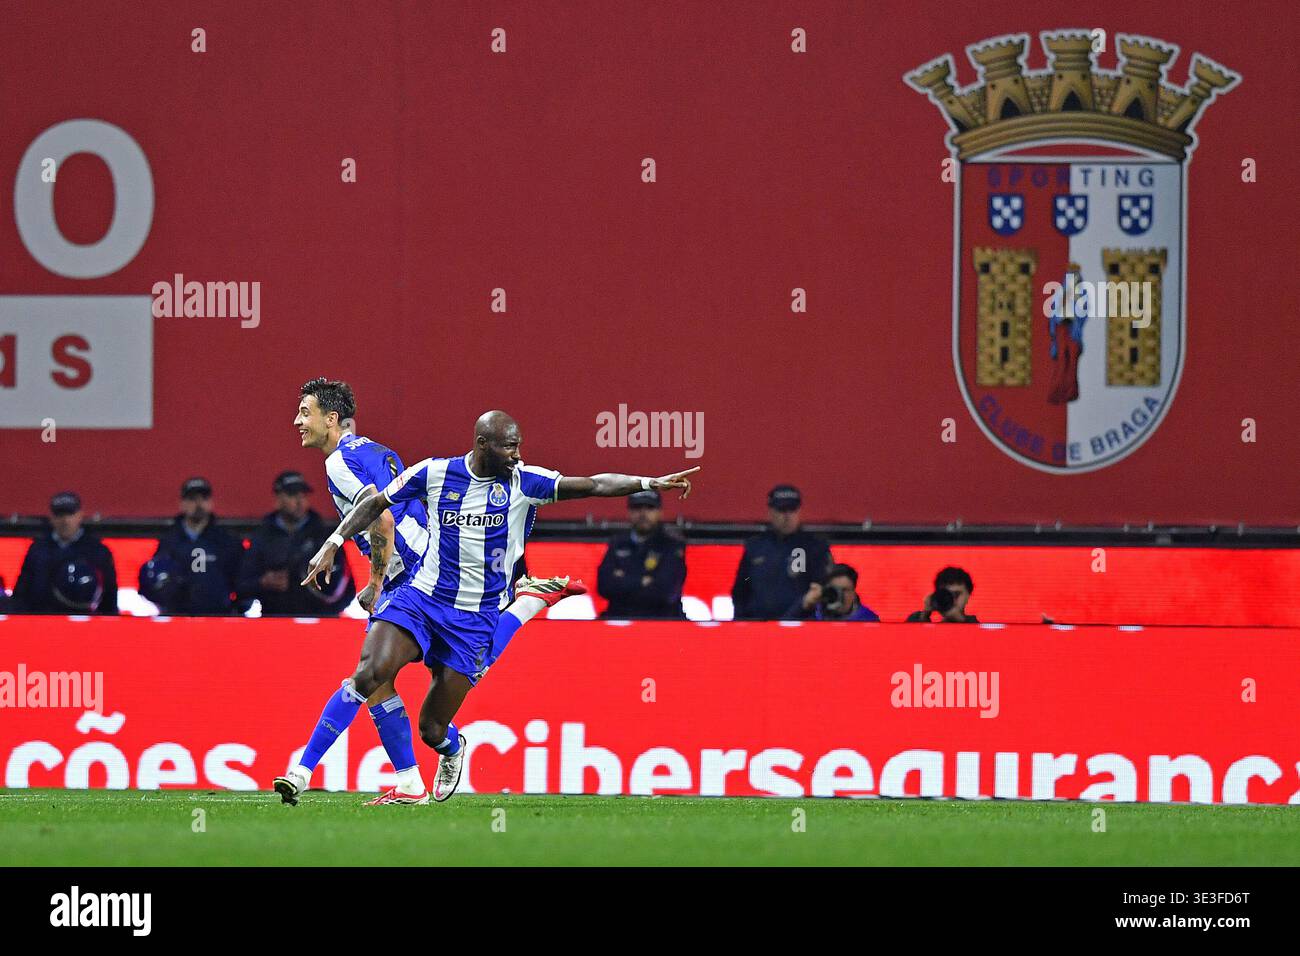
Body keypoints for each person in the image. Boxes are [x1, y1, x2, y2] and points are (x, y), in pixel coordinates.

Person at [300, 410, 698, 802]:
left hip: (475, 611)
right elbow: (379, 505)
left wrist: (648, 481)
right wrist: (334, 545)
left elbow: (593, 484)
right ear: (482, 444)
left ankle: (521, 615)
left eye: (518, 446)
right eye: (509, 447)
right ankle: (325, 775)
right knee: (370, 675)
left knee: (432, 728)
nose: (517, 454)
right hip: (422, 591)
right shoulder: (437, 473)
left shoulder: (525, 481)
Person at [274, 382, 584, 807]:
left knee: (423, 668)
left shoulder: (338, 464)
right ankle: (406, 781)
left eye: (304, 412)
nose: (297, 421)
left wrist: (376, 581)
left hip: (412, 573)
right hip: (425, 560)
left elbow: (381, 520)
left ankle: (527, 604)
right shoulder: (374, 450)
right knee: (376, 681)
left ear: (331, 419)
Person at [238, 471, 356, 616]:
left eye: (303, 495)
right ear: (278, 498)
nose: (300, 501)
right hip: (275, 622)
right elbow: (242, 585)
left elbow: (347, 587)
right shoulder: (262, 537)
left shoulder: (325, 536)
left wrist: (326, 613)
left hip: (318, 623)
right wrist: (264, 582)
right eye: (292, 495)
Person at [140, 477, 245, 615]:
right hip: (178, 618)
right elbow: (153, 583)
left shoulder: (228, 541)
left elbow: (242, 581)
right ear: (181, 504)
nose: (198, 504)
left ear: (211, 503)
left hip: (218, 618)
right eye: (192, 499)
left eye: (203, 498)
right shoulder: (169, 541)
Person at [730, 484, 831, 620]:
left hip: (800, 626)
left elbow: (824, 588)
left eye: (792, 510)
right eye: (781, 510)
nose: (787, 516)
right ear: (770, 512)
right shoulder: (755, 546)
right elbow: (740, 591)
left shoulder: (814, 547)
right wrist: (741, 623)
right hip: (759, 627)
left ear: (799, 511)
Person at [10, 491, 118, 615]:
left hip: (87, 622)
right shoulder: (38, 551)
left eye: (70, 514)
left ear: (80, 515)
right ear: (51, 517)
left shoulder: (98, 551)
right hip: (43, 621)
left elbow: (109, 596)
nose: (65, 521)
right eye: (59, 515)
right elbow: (21, 594)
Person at [596, 489, 687, 619]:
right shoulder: (618, 543)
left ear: (660, 512)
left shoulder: (671, 545)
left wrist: (624, 579)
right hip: (620, 618)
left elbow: (666, 592)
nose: (643, 514)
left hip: (661, 620)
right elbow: (604, 586)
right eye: (637, 508)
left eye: (650, 508)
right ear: (629, 512)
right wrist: (642, 581)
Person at [793, 563, 879, 621]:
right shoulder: (813, 615)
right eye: (835, 590)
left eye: (845, 590)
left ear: (853, 593)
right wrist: (804, 605)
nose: (840, 595)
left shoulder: (868, 619)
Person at [906, 566, 980, 623]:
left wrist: (958, 619)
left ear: (968, 595)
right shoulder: (919, 620)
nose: (952, 599)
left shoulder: (978, 626)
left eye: (957, 594)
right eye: (946, 594)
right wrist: (924, 616)